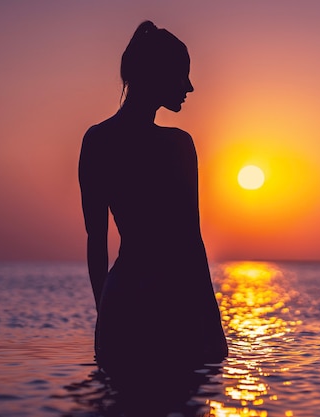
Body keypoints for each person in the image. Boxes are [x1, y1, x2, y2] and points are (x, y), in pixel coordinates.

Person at [78, 21, 228, 372]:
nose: (190, 86)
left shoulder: (97, 140)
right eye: (182, 75)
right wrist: (212, 326)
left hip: (122, 299)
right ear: (157, 74)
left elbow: (96, 241)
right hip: (172, 305)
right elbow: (192, 241)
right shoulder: (177, 144)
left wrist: (105, 313)